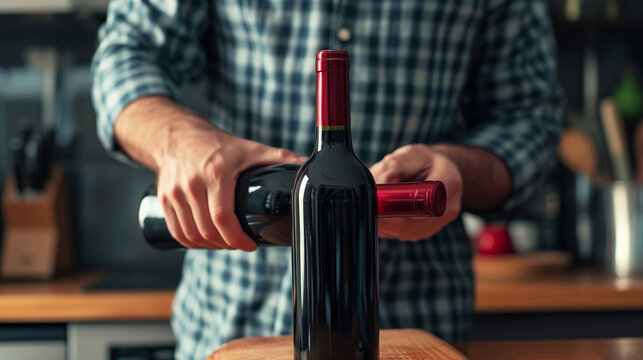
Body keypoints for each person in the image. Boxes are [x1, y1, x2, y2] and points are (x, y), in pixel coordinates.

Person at [91, 1, 563, 359]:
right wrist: (178, 140)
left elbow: (530, 120)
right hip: (230, 328)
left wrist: (457, 167)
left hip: (414, 333)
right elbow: (125, 52)